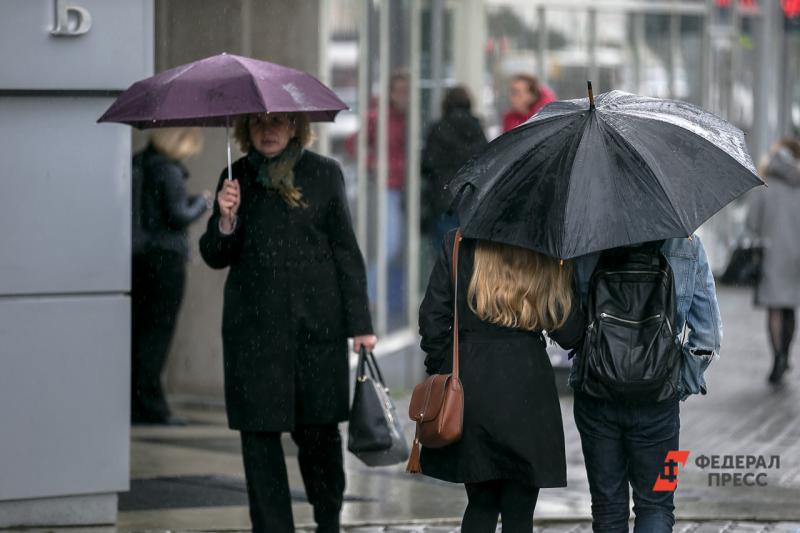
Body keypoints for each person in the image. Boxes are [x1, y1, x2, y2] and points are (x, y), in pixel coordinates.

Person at [199, 111, 376, 533]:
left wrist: (361, 326)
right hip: (253, 337)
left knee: (319, 437)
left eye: (278, 121)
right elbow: (213, 254)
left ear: (296, 126)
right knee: (259, 441)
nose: (268, 130)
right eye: (258, 123)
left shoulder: (324, 173)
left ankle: (328, 518)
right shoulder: (235, 177)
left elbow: (345, 253)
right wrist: (225, 218)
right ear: (245, 130)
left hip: (315, 333)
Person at [418, 231, 585, 532]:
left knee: (481, 502)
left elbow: (433, 319)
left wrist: (445, 369)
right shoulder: (546, 244)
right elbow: (571, 332)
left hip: (473, 385)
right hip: (528, 387)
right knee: (520, 511)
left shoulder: (461, 243)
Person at [571, 236, 722, 532]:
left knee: (607, 508)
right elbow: (708, 338)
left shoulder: (586, 239)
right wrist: (678, 385)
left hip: (595, 401)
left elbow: (571, 321)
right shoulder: (688, 245)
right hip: (660, 408)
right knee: (660, 505)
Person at [131, 127, 211, 425]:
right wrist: (204, 202)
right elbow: (178, 215)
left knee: (140, 333)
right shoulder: (168, 170)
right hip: (166, 261)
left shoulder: (141, 163)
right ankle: (152, 405)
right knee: (157, 335)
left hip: (141, 258)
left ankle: (137, 401)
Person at [346, 69, 409, 315]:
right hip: (388, 187)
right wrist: (373, 162)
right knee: (390, 244)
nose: (404, 97)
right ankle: (369, 295)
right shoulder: (379, 117)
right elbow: (354, 144)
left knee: (402, 246)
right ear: (391, 93)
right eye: (400, 91)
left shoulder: (411, 119)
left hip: (408, 189)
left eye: (407, 92)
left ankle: (394, 301)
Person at [746, 137, 800, 385]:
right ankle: (787, 354)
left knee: (775, 309)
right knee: (790, 306)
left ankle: (777, 356)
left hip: (772, 254)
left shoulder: (763, 184)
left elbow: (752, 224)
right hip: (796, 256)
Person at [421, 86, 487, 249]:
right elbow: (485, 161)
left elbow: (426, 165)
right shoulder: (476, 127)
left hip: (442, 199)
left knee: (444, 253)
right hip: (469, 198)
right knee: (466, 254)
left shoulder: (437, 128)